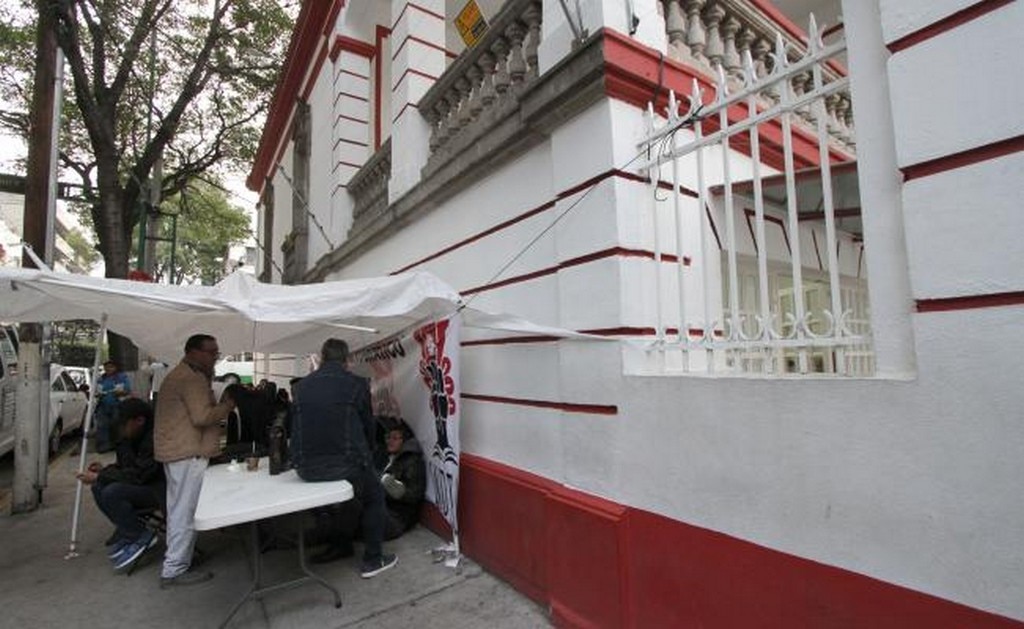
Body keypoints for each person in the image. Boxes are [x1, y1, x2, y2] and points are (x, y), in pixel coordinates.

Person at [291, 338, 397, 578]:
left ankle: (341, 546)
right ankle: (373, 559)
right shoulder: (357, 384)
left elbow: (293, 425)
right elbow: (368, 424)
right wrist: (368, 455)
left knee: (347, 500)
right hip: (346, 464)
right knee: (374, 497)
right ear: (347, 360)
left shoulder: (302, 386)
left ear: (322, 356)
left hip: (305, 467)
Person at [154, 334, 235, 588]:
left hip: (179, 451)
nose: (215, 358)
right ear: (193, 352)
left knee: (180, 509)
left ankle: (178, 560)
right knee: (185, 512)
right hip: (187, 453)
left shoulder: (183, 374)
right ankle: (175, 569)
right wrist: (226, 407)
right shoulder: (191, 378)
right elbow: (202, 417)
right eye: (211, 353)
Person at [77, 397, 164, 571]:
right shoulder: (129, 438)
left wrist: (101, 476)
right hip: (141, 484)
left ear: (139, 421)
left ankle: (140, 535)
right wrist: (103, 471)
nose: (120, 430)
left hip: (159, 488)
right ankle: (130, 529)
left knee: (112, 491)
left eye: (124, 425)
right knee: (99, 487)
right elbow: (126, 466)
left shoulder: (154, 437)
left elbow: (140, 474)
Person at [376, 420, 426, 540]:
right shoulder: (384, 455)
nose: (390, 441)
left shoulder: (411, 461)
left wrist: (397, 489)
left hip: (398, 518)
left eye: (395, 438)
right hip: (382, 508)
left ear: (404, 441)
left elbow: (415, 494)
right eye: (388, 437)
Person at [94, 360, 131, 452]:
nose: (108, 369)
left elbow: (127, 390)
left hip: (117, 404)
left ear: (115, 368)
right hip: (103, 405)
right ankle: (104, 446)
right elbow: (96, 392)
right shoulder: (101, 378)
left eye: (111, 367)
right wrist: (98, 394)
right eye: (106, 367)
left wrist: (119, 392)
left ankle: (119, 445)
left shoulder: (122, 377)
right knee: (102, 425)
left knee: (117, 424)